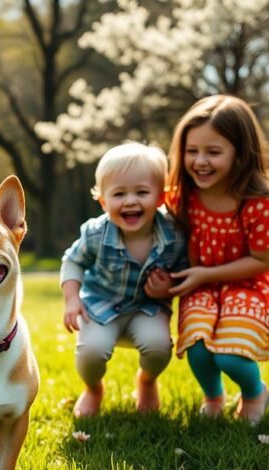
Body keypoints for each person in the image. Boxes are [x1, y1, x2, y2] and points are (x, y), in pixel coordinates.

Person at [166, 95, 269, 426]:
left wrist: (206, 274)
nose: (200, 161)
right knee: (198, 349)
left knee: (230, 355)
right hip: (199, 284)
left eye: (214, 152)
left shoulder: (261, 203)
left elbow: (262, 261)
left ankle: (254, 393)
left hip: (249, 284)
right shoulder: (183, 195)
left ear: (240, 152)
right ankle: (213, 396)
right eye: (192, 151)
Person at [60, 142, 187, 418]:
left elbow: (184, 271)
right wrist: (72, 300)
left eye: (142, 192)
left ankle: (147, 381)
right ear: (104, 202)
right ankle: (93, 389)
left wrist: (169, 287)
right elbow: (73, 261)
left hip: (148, 308)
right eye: (119, 194)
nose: (130, 201)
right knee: (90, 352)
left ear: (161, 197)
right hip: (100, 305)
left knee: (159, 346)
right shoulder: (96, 233)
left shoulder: (174, 234)